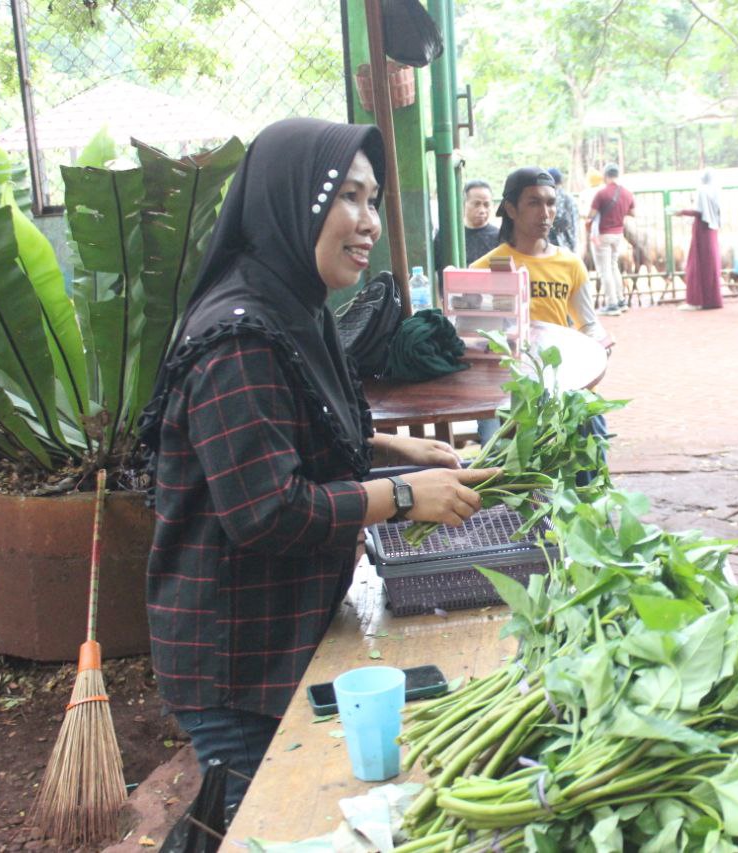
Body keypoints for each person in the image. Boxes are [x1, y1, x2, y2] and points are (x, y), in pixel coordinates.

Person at [139, 118, 497, 821]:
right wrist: (399, 495)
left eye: (374, 201)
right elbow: (265, 510)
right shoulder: (238, 337)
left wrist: (397, 450)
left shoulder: (296, 304)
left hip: (283, 628)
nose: (368, 222)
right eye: (351, 198)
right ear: (294, 197)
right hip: (236, 658)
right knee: (268, 820)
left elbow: (306, 431)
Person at [473, 166, 611, 350]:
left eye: (551, 203)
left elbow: (588, 324)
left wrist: (600, 344)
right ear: (511, 209)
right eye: (534, 203)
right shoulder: (482, 269)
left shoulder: (571, 264)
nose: (545, 213)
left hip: (556, 371)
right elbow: (474, 337)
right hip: (506, 374)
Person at [586, 162, 635, 316]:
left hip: (603, 235)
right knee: (613, 267)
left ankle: (612, 304)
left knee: (604, 269)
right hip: (618, 234)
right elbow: (633, 213)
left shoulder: (601, 194)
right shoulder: (627, 193)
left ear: (605, 176)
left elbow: (591, 215)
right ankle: (621, 300)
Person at [676, 169, 724, 310]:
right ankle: (711, 299)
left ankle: (696, 300)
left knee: (697, 264)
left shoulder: (703, 190)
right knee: (710, 265)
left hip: (702, 230)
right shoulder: (716, 190)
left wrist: (682, 211)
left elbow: (700, 211)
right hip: (711, 230)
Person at [547, 167, 579, 253]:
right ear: (561, 181)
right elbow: (574, 227)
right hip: (567, 246)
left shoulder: (544, 199)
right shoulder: (571, 200)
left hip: (549, 247)